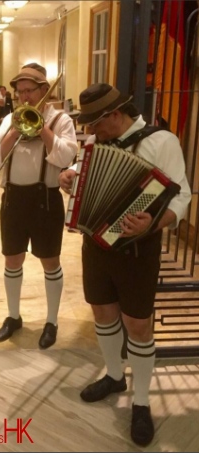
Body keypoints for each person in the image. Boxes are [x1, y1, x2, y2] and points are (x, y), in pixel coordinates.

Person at [58, 83, 191, 446]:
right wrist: (68, 178)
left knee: (138, 324)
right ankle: (115, 375)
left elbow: (181, 195)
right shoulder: (94, 144)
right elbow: (81, 176)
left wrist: (155, 222)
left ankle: (143, 401)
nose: (90, 131)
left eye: (95, 123)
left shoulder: (162, 142)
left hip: (137, 249)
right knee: (102, 313)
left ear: (115, 115)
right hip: (95, 244)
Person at [0, 63, 77, 349]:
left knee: (50, 261)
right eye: (20, 92)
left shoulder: (61, 119)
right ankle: (13, 316)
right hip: (13, 199)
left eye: (30, 91)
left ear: (44, 91)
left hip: (46, 199)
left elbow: (66, 156)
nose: (24, 97)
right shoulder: (10, 119)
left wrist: (43, 131)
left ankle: (51, 321)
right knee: (12, 259)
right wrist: (13, 131)